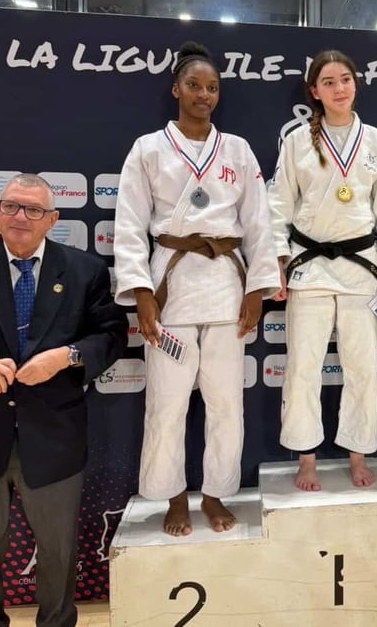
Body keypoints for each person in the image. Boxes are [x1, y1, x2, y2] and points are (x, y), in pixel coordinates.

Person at [113, 41, 280, 537]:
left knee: (227, 402)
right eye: (194, 85)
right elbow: (130, 223)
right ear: (176, 90)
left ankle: (214, 493)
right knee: (168, 402)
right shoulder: (148, 148)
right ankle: (173, 496)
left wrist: (257, 286)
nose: (204, 94)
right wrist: (141, 292)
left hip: (227, 284)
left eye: (212, 87)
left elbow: (258, 221)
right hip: (172, 283)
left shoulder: (238, 150)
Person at [0, 173, 127, 627]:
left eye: (33, 210)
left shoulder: (84, 271)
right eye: (11, 206)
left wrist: (67, 356)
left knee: (58, 552)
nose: (20, 217)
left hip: (55, 438)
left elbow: (111, 335)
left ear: (52, 219)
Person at [267, 49, 377, 492]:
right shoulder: (297, 141)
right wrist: (279, 263)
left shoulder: (376, 141)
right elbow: (278, 206)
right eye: (328, 82)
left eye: (345, 79)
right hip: (309, 267)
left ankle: (357, 452)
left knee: (362, 367)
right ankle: (306, 457)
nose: (338, 89)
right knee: (303, 367)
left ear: (355, 84)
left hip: (361, 269)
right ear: (314, 91)